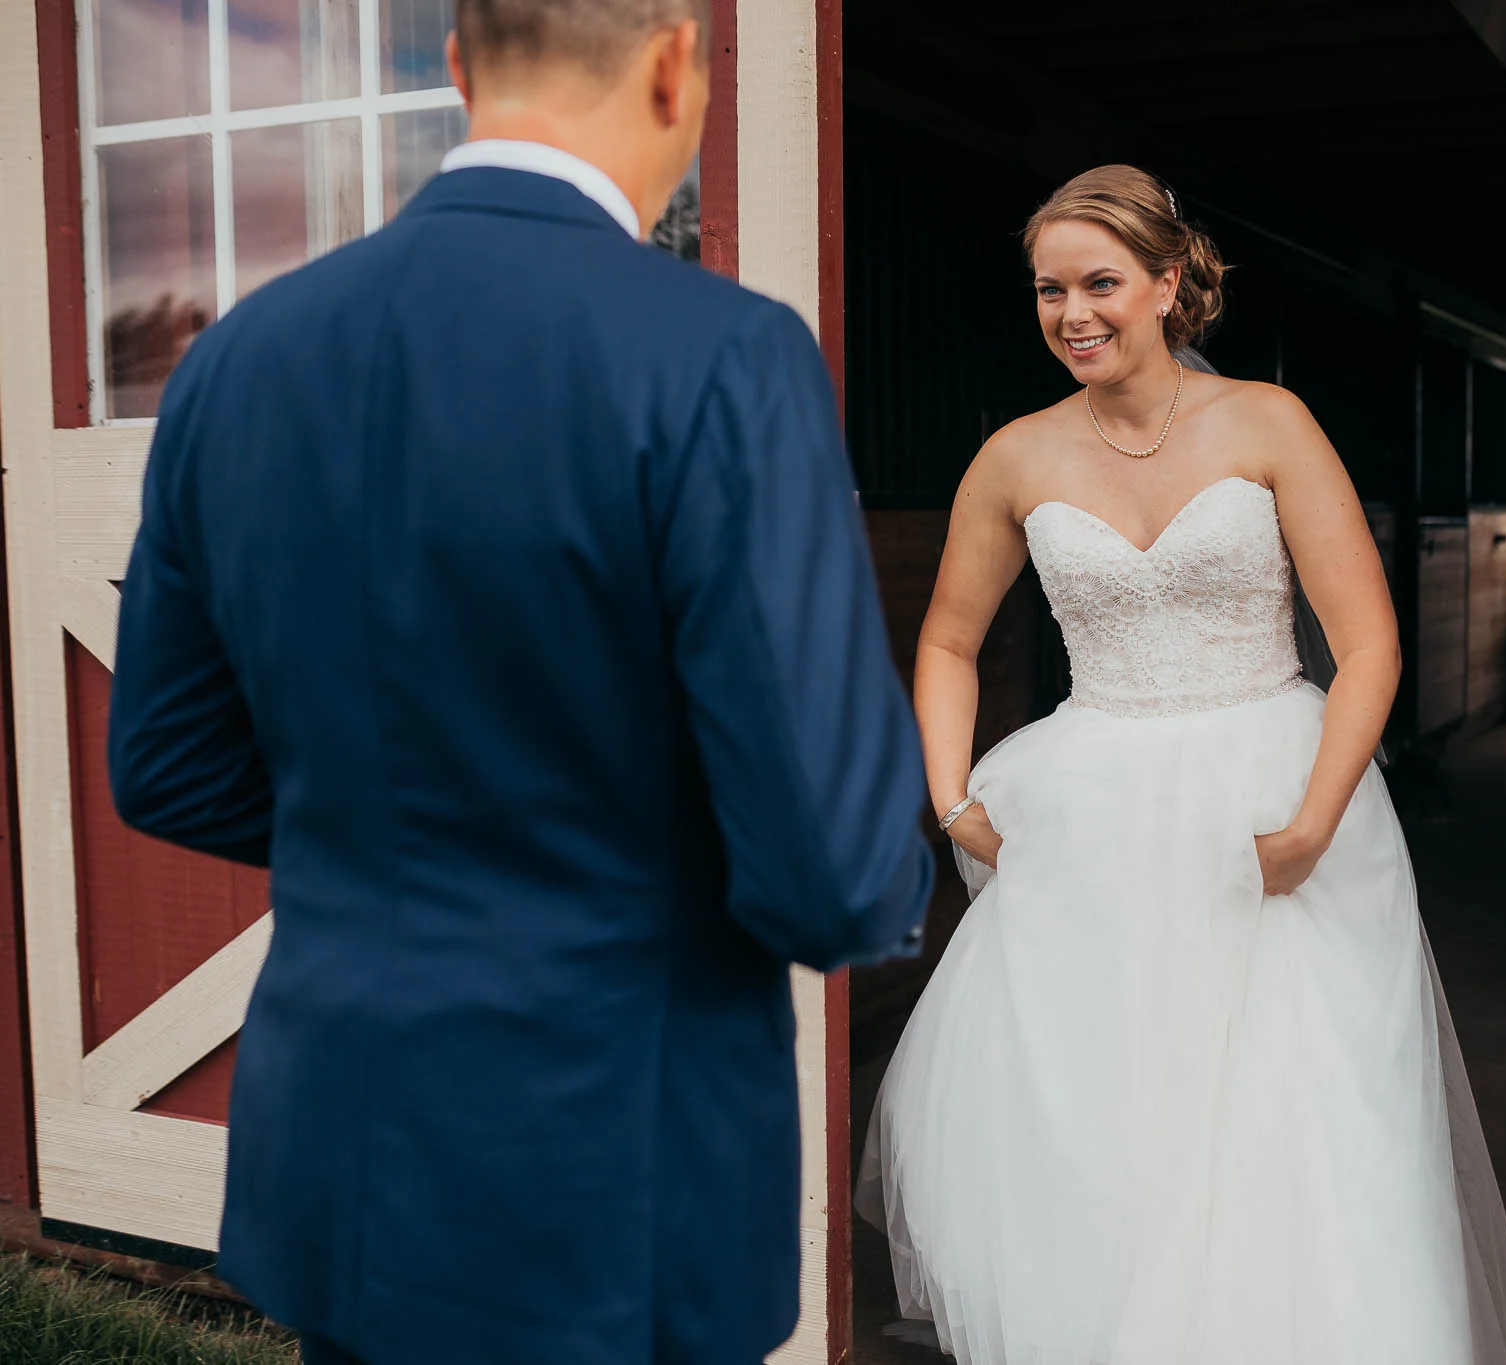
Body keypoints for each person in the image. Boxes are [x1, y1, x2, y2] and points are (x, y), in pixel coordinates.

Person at [105, 2, 933, 1361]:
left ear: (455, 66)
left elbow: (171, 761)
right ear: (677, 65)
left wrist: (393, 823)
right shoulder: (723, 356)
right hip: (611, 1175)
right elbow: (832, 870)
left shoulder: (238, 361)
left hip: (345, 1147)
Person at [856, 166, 1506, 1364]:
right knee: (1105, 1122)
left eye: (1100, 283)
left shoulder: (1267, 423)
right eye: (1048, 290)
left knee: (1300, 1125)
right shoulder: (1015, 457)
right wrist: (948, 793)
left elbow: (1370, 640)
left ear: (1168, 284)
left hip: (1269, 791)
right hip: (1088, 814)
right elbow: (947, 639)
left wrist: (1313, 823)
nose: (1072, 312)